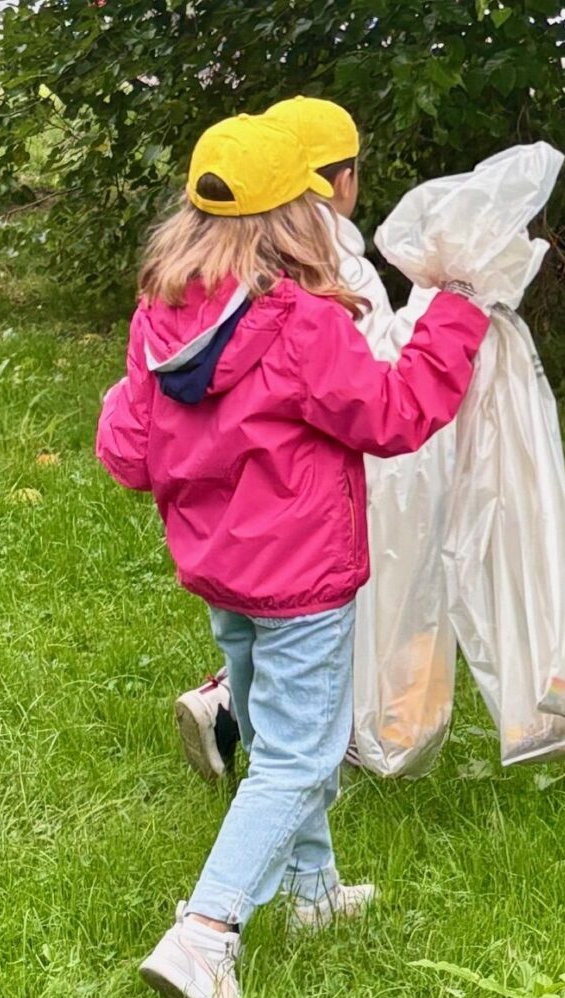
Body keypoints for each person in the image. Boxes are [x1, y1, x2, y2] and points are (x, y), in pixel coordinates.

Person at [96, 111, 489, 998]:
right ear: (299, 217)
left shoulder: (160, 319)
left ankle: (312, 894)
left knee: (280, 736)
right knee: (304, 756)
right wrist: (455, 315)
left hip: (221, 574)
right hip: (303, 580)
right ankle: (205, 934)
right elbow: (391, 414)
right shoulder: (299, 325)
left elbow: (129, 448)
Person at [172, 96, 394, 783]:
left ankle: (312, 880)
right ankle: (225, 887)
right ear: (341, 181)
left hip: (225, 531)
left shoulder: (192, 289)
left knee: (258, 640)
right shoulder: (337, 281)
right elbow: (381, 403)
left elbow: (135, 434)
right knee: (303, 709)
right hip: (316, 513)